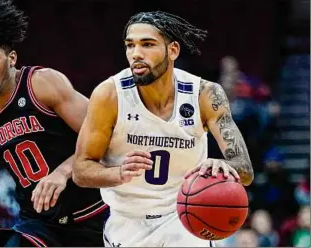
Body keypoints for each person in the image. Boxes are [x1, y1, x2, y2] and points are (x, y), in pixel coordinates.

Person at [72, 11, 254, 247]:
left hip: (185, 219)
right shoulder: (109, 95)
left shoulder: (205, 95)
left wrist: (224, 166)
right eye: (130, 45)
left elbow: (246, 171)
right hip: (128, 223)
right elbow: (80, 170)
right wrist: (118, 173)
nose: (136, 54)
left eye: (147, 44)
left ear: (173, 50)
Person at [0, 0, 107, 246]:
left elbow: (103, 135)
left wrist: (62, 173)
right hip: (39, 224)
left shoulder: (42, 84)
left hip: (95, 211)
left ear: (11, 58)